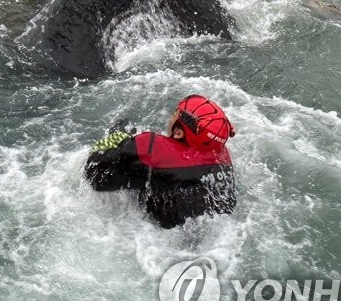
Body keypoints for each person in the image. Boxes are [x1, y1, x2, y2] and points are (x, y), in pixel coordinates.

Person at [83, 95, 237, 228]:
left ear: (178, 133)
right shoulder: (222, 159)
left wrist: (119, 140)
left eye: (174, 114)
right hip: (209, 238)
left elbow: (95, 176)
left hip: (160, 240)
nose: (170, 118)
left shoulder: (151, 148)